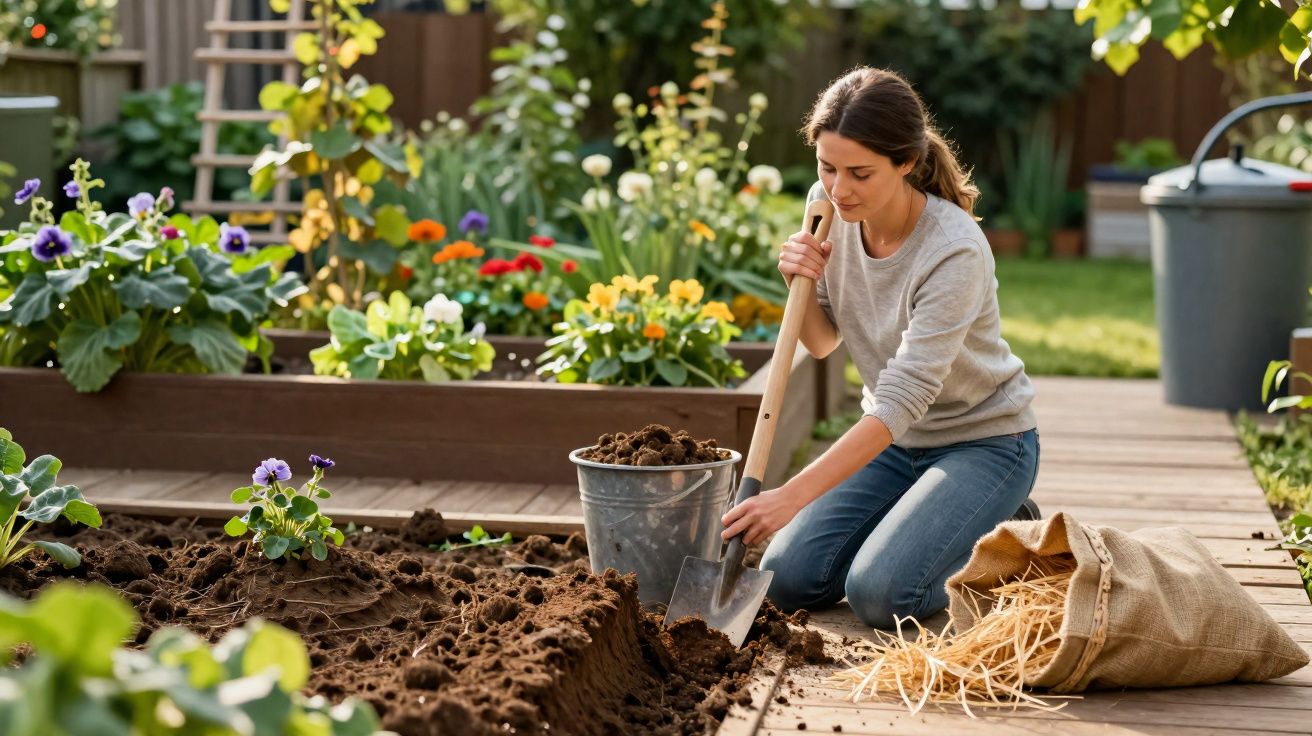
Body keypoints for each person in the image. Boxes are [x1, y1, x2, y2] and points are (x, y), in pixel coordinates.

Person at [720, 66, 1040, 628]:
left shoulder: (954, 250)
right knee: (789, 579)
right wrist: (793, 278)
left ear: (907, 162)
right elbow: (822, 342)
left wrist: (789, 496)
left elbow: (903, 397)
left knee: (881, 594)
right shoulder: (828, 206)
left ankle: (1008, 527)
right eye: (827, 167)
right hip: (895, 446)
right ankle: (927, 517)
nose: (839, 189)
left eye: (860, 173)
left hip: (982, 441)